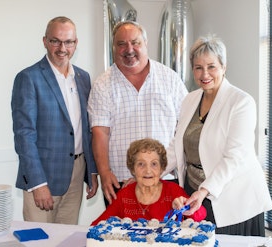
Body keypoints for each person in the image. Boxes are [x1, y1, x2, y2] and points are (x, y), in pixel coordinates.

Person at [163, 35, 272, 236]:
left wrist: (205, 190)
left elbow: (234, 157)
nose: (205, 74)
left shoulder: (241, 102)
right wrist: (150, 172)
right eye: (198, 67)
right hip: (194, 192)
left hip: (234, 198)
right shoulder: (189, 99)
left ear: (224, 66)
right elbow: (177, 146)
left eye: (211, 66)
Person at [87, 20, 188, 205]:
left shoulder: (170, 79)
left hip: (165, 180)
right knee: (121, 234)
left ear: (145, 44)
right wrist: (104, 172)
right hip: (121, 182)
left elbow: (185, 127)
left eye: (135, 42)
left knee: (166, 233)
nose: (129, 49)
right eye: (121, 44)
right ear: (113, 48)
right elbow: (100, 132)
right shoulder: (102, 85)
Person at [11, 16, 98, 225]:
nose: (62, 47)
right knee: (40, 241)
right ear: (45, 41)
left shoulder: (83, 78)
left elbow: (87, 129)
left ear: (76, 43)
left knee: (67, 238)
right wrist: (37, 183)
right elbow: (24, 135)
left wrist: (91, 171)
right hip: (44, 176)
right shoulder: (29, 78)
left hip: (77, 173)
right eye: (55, 41)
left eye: (68, 42)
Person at [91, 138, 206, 225]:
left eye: (154, 164)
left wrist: (187, 204)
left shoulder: (172, 190)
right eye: (141, 164)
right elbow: (97, 225)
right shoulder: (125, 195)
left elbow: (200, 215)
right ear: (132, 169)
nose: (148, 170)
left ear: (162, 168)